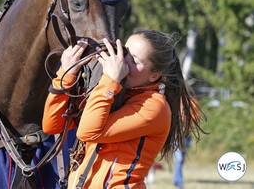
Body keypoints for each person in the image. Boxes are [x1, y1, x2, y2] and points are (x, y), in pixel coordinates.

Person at [43, 30, 205, 189]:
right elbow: (53, 126)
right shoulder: (112, 92)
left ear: (154, 76)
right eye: (124, 52)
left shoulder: (155, 106)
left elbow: (87, 131)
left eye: (134, 61)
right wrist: (66, 73)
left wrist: (110, 79)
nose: (122, 61)